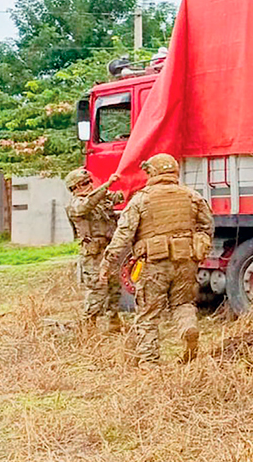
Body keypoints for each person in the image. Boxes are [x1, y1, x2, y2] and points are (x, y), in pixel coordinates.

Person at [100, 153, 213, 366]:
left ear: (152, 173)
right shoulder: (192, 195)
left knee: (148, 313)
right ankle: (188, 328)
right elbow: (207, 226)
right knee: (183, 303)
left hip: (154, 263)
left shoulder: (142, 199)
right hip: (185, 261)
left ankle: (149, 363)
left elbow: (123, 234)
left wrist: (107, 262)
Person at [64, 168, 124, 331]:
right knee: (98, 289)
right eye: (84, 183)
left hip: (109, 251)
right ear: (74, 188)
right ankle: (88, 325)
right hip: (93, 254)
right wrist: (107, 185)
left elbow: (120, 197)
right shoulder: (76, 204)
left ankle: (114, 322)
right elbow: (87, 206)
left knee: (114, 288)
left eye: (89, 181)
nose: (89, 185)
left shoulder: (100, 198)